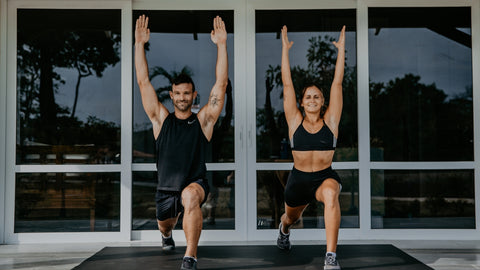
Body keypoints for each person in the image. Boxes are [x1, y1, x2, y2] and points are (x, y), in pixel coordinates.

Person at [134, 14, 228, 270]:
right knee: (165, 223)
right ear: (171, 95)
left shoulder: (203, 121)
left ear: (194, 95)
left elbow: (220, 85)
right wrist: (139, 44)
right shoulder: (161, 120)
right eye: (178, 93)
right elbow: (143, 83)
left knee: (190, 198)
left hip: (195, 182)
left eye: (187, 93)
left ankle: (190, 256)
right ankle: (166, 235)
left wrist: (221, 45)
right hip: (165, 189)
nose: (183, 97)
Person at [276, 25, 345, 270]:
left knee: (330, 195)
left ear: (323, 101)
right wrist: (284, 50)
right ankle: (283, 230)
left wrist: (341, 51)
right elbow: (286, 85)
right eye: (308, 97)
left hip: (324, 176)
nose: (313, 100)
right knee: (291, 218)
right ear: (302, 103)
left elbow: (337, 84)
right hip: (299, 179)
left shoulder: (331, 121)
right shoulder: (295, 121)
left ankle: (331, 256)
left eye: (317, 96)